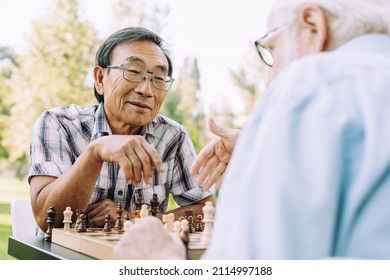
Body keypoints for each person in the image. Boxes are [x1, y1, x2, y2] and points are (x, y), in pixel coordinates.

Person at [113, 0, 390, 259]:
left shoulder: (314, 81)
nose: (271, 79)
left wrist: (162, 262)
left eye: (272, 50)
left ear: (313, 25)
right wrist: (260, 153)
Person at [28, 27, 214, 232]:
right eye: (133, 72)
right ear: (100, 79)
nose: (146, 90)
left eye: (159, 78)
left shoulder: (173, 137)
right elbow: (46, 218)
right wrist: (94, 153)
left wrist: (137, 221)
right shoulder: (58, 124)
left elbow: (206, 209)